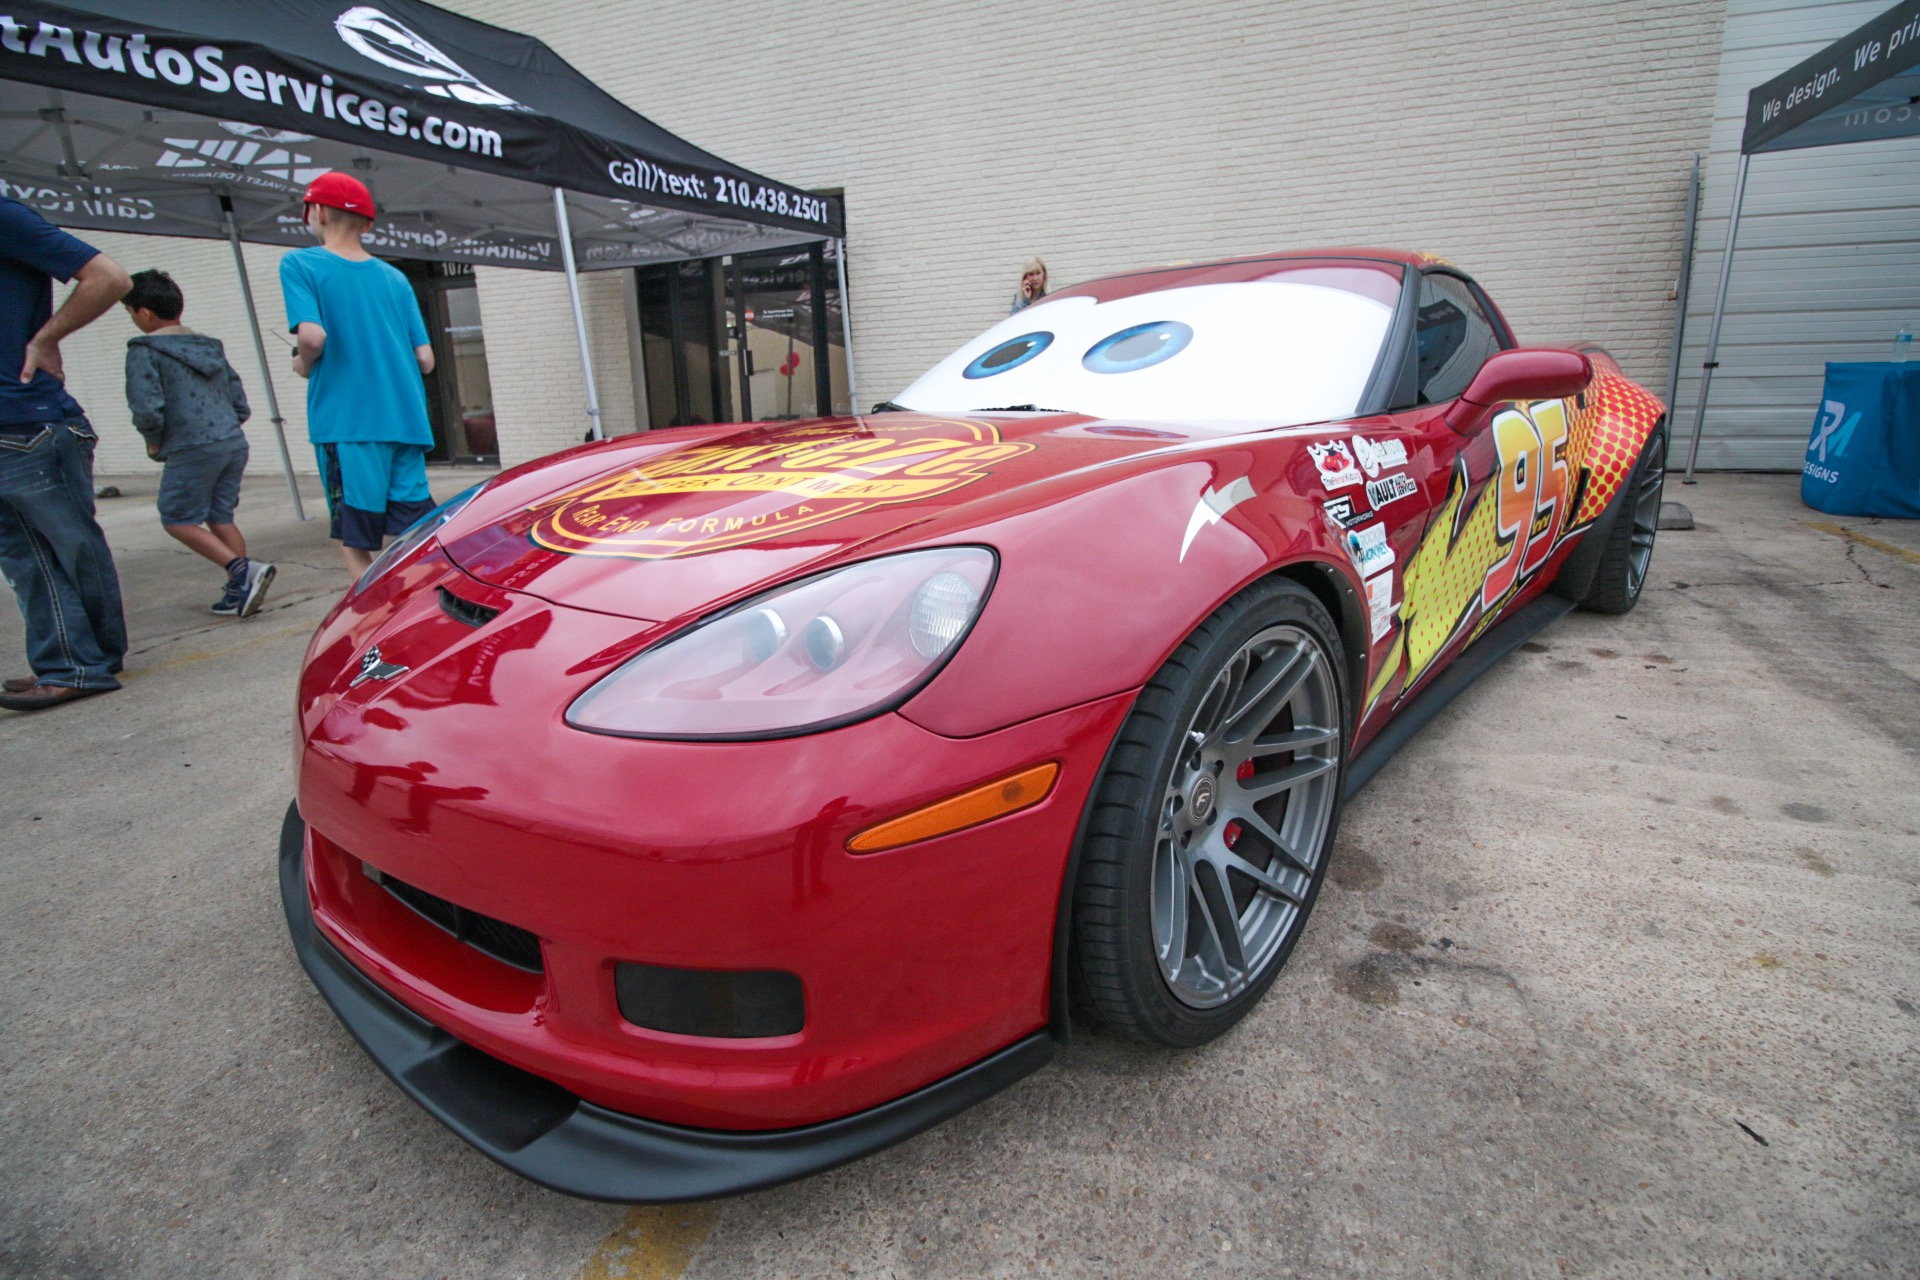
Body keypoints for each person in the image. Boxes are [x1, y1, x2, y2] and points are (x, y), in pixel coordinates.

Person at [0, 196, 132, 714]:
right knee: (50, 548)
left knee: (39, 552)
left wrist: (48, 337)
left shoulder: (6, 216)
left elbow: (109, 278)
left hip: (25, 421)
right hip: (25, 420)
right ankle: (87, 657)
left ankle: (75, 666)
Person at [279, 172, 437, 577]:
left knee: (354, 539)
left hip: (348, 421)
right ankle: (421, 607)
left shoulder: (300, 264)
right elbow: (425, 360)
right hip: (406, 420)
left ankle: (378, 621)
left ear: (316, 213)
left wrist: (303, 363)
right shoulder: (395, 278)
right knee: (415, 534)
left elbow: (312, 337)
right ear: (368, 224)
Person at [123, 270, 275, 618]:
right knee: (219, 516)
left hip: (191, 445)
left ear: (144, 312)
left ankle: (242, 570)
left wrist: (152, 442)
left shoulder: (144, 351)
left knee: (177, 518)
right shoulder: (209, 347)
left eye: (130, 312)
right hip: (232, 441)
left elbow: (147, 408)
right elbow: (240, 402)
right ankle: (241, 591)